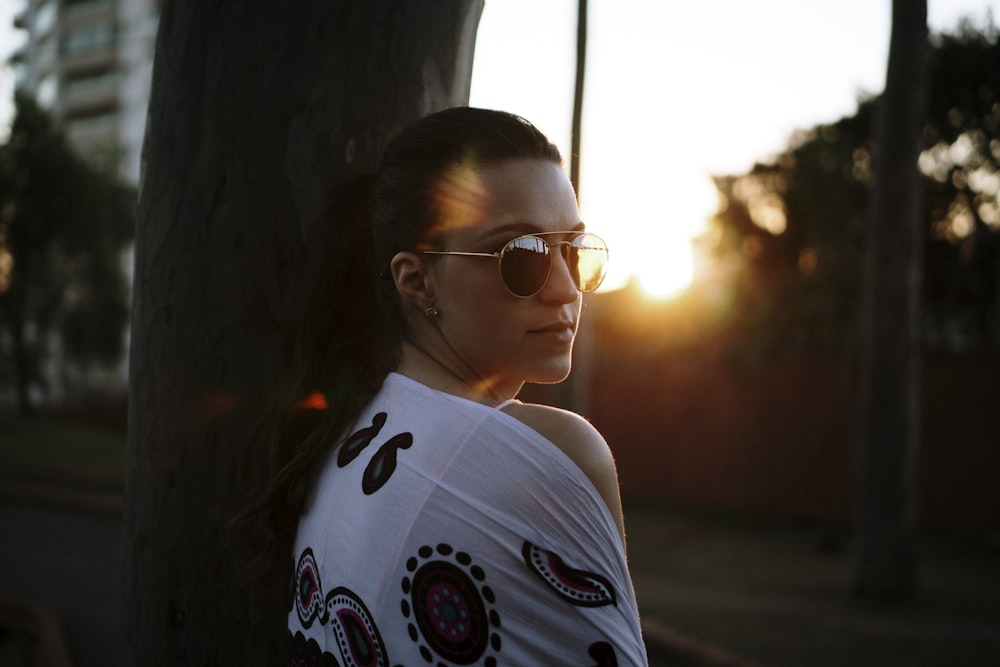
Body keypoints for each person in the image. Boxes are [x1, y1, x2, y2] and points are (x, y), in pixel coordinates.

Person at [274, 107, 646, 665]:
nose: (567, 289)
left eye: (575, 249)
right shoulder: (553, 452)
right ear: (417, 281)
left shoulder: (352, 438)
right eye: (523, 256)